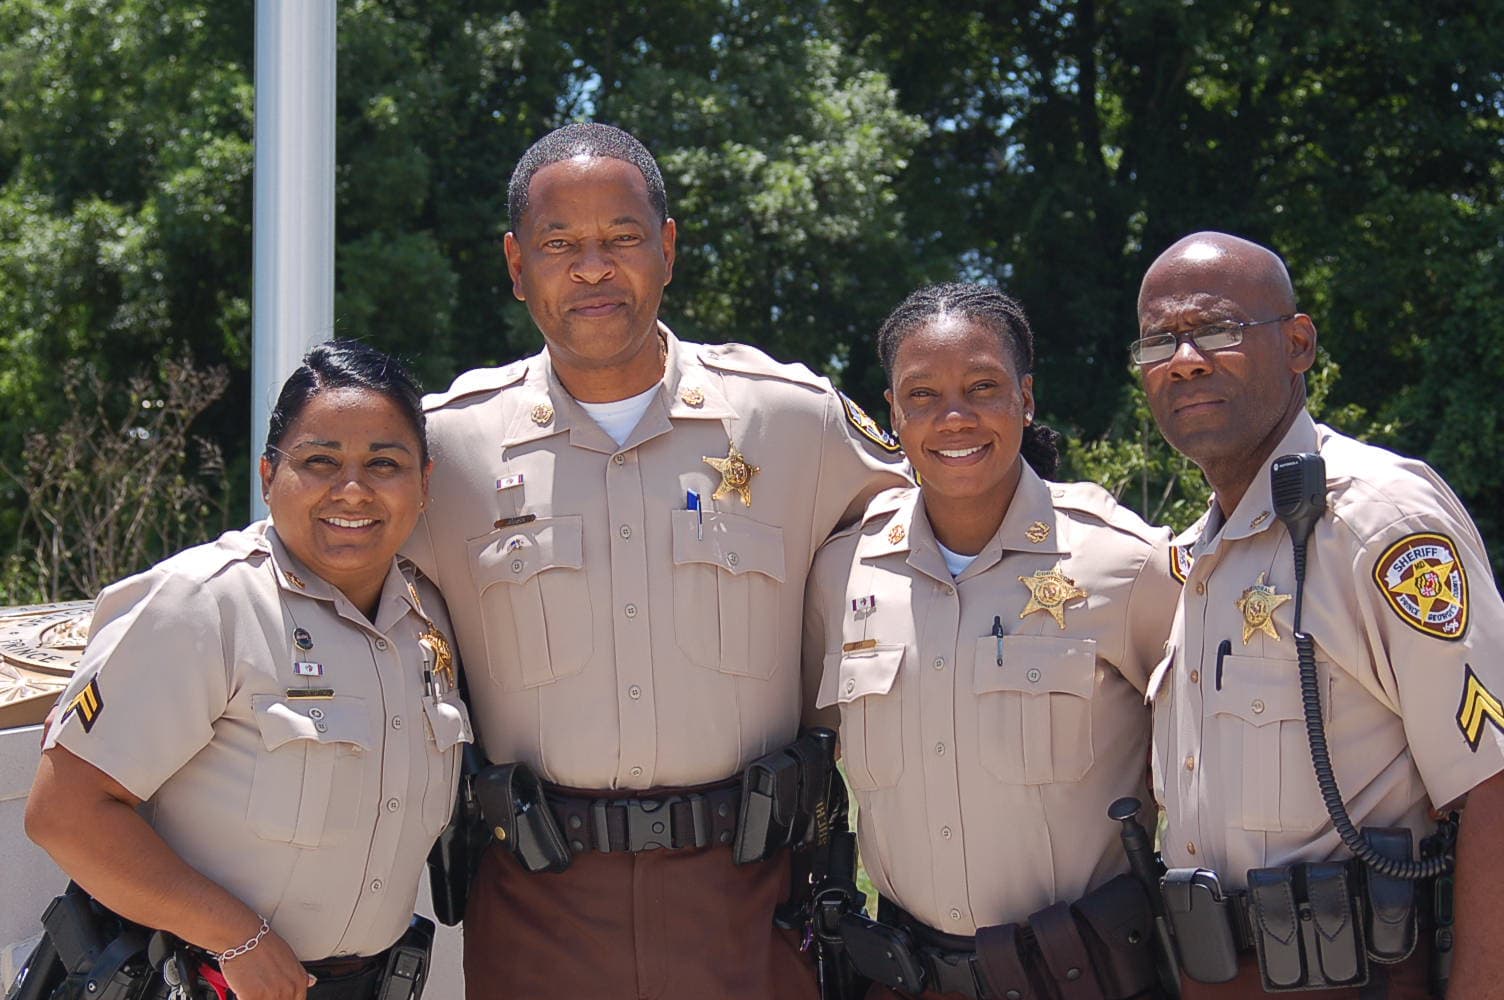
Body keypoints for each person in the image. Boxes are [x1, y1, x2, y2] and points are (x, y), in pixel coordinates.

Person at [403, 122, 909, 1000]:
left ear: (667, 249)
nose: (593, 267)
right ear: (517, 265)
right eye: (559, 244)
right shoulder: (443, 449)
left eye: (622, 238)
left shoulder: (793, 421)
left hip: (751, 894)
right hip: (535, 900)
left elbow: (930, 546)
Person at [23, 340, 470, 1000]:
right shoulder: (204, 603)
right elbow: (64, 811)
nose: (352, 489)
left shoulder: (429, 619)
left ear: (424, 484)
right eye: (320, 461)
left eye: (385, 464)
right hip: (208, 981)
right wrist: (237, 936)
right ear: (268, 475)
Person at [1136, 231, 1504, 998]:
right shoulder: (1193, 556)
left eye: (1218, 329)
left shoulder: (1376, 519)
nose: (1186, 359)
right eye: (1159, 341)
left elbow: (1493, 783)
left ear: (1298, 343)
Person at [803, 283, 1181, 1000]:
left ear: (1026, 398)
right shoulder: (840, 574)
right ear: (893, 412)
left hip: (1083, 977)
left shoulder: (1123, 565)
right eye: (922, 395)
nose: (954, 417)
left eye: (983, 387)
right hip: (905, 975)